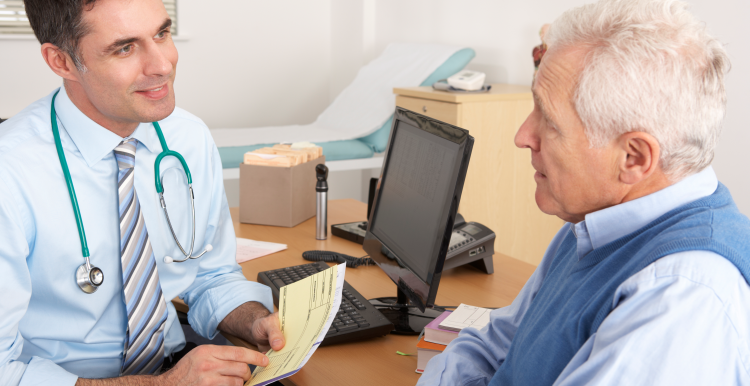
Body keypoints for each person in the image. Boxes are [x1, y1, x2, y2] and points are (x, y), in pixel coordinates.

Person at [419, 0, 750, 385]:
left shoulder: (680, 297)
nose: (523, 136)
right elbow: (493, 347)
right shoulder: (590, 227)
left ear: (633, 157)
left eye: (550, 120)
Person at [0, 0, 286, 384]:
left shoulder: (188, 137)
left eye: (162, 34)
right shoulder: (11, 171)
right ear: (61, 62)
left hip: (175, 362)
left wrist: (254, 319)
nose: (163, 65)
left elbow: (211, 274)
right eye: (125, 48)